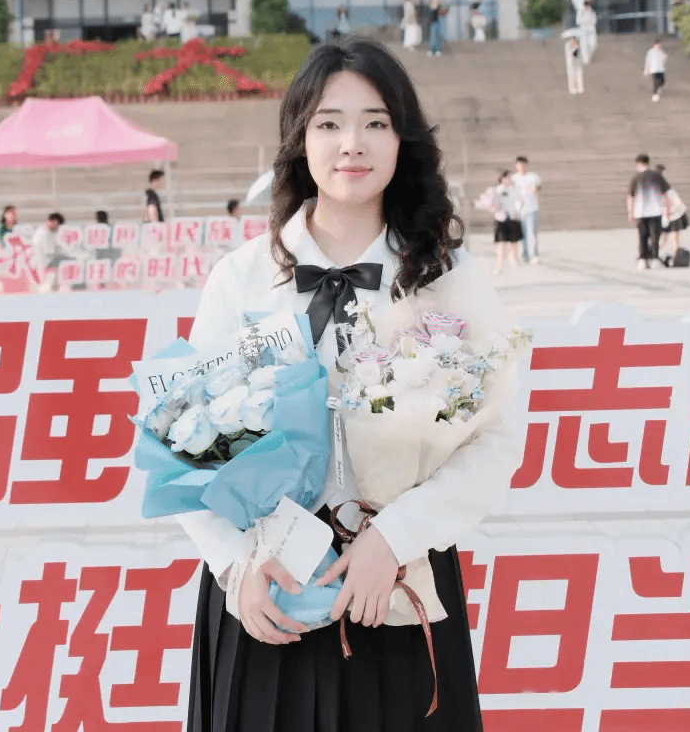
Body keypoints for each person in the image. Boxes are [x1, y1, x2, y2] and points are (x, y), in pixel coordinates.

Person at [181, 38, 520, 731]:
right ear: (299, 140)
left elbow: (495, 440)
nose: (351, 144)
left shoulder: (448, 279)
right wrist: (235, 566)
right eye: (329, 123)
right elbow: (189, 446)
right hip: (267, 600)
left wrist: (394, 537)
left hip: (398, 592)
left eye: (376, 122)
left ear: (402, 139)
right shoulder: (242, 278)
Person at [627, 154, 671, 269]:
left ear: (638, 164)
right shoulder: (657, 175)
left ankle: (642, 259)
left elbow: (630, 196)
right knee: (655, 237)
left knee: (642, 237)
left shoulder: (636, 178)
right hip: (656, 212)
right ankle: (654, 259)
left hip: (640, 212)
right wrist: (667, 209)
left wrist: (630, 212)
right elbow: (665, 194)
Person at [511, 155, 542, 264]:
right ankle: (524, 255)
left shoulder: (533, 176)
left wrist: (536, 188)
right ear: (516, 166)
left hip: (532, 208)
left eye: (523, 165)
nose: (521, 167)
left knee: (533, 232)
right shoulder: (513, 178)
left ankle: (534, 255)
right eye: (519, 165)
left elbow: (538, 186)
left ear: (526, 165)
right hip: (519, 210)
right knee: (522, 233)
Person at [656, 164, 689, 262]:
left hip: (673, 216)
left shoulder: (667, 189)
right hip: (666, 216)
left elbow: (677, 203)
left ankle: (676, 255)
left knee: (671, 237)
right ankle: (663, 254)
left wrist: (669, 211)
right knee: (665, 237)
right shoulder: (660, 188)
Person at [32, 212, 65, 291]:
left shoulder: (41, 230)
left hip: (39, 266)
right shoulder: (45, 233)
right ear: (55, 222)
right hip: (43, 267)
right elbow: (50, 253)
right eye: (58, 226)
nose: (58, 229)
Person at [643, 37, 667, 102]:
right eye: (657, 45)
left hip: (661, 70)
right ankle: (655, 94)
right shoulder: (651, 52)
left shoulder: (661, 52)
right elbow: (648, 61)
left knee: (662, 82)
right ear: (654, 45)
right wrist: (646, 70)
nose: (658, 46)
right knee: (656, 82)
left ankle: (658, 89)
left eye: (659, 45)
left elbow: (664, 59)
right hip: (654, 70)